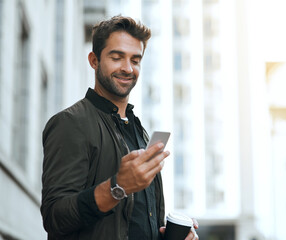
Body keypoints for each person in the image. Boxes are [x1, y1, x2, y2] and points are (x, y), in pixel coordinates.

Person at [41, 15, 199, 240]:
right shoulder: (70, 123)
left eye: (135, 60)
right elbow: (54, 217)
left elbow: (132, 223)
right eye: (117, 58)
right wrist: (118, 187)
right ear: (94, 60)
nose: (128, 68)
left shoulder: (139, 130)